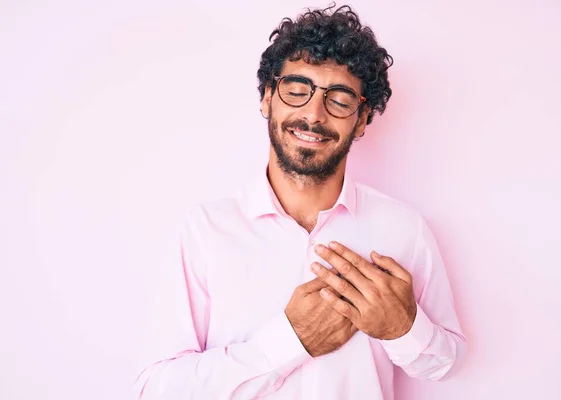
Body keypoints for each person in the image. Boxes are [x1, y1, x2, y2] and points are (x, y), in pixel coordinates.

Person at [133, 4, 466, 399]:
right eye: (296, 91)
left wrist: (402, 329)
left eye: (340, 100)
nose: (313, 113)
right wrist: (290, 341)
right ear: (267, 100)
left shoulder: (403, 229)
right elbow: (156, 390)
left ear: (360, 121)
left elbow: (444, 363)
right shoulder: (207, 230)